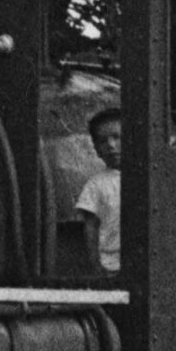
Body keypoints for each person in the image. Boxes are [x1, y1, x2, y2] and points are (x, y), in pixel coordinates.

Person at [75, 106, 124, 276]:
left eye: (117, 137)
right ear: (96, 149)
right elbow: (91, 228)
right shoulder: (95, 185)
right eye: (103, 141)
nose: (111, 145)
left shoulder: (146, 177)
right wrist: (96, 267)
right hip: (110, 267)